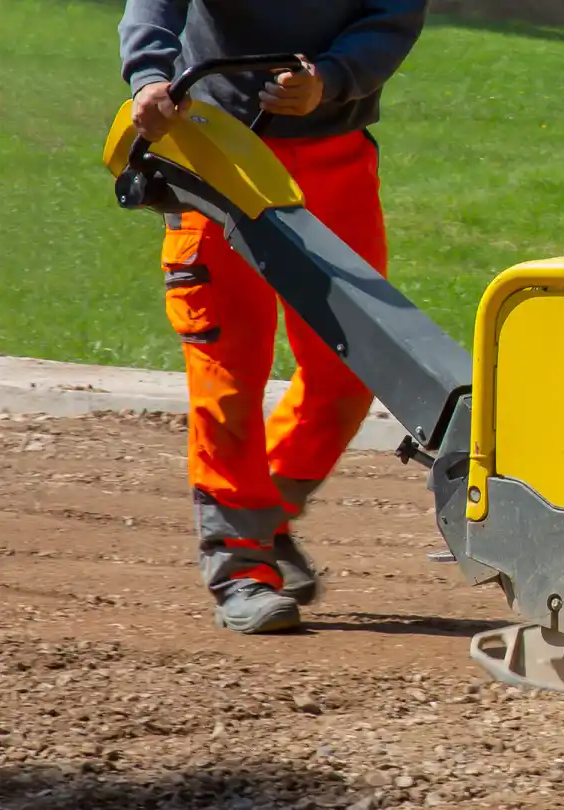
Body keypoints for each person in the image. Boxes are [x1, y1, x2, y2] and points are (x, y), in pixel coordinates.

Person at [117, 1, 429, 634]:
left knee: (353, 366)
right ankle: (241, 566)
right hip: (213, 151)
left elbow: (389, 15)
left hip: (334, 154)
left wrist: (331, 79)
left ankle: (268, 515)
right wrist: (149, 77)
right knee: (227, 370)